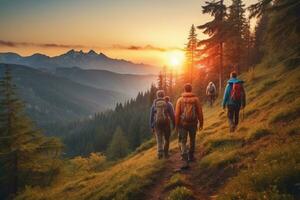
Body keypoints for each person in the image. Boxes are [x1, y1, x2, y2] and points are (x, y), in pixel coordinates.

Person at [175, 84, 203, 168]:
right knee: (192, 139)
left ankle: (184, 157)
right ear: (191, 90)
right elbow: (200, 112)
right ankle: (191, 156)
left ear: (184, 90)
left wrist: (176, 125)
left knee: (183, 141)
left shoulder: (180, 100)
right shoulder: (196, 100)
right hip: (193, 123)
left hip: (182, 124)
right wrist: (201, 123)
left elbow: (177, 114)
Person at [150, 90, 175, 159]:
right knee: (167, 139)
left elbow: (151, 116)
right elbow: (172, 115)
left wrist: (152, 126)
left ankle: (160, 154)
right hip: (166, 123)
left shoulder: (154, 104)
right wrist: (174, 124)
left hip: (157, 124)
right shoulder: (168, 104)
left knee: (159, 138)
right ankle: (166, 153)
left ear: (157, 96)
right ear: (164, 95)